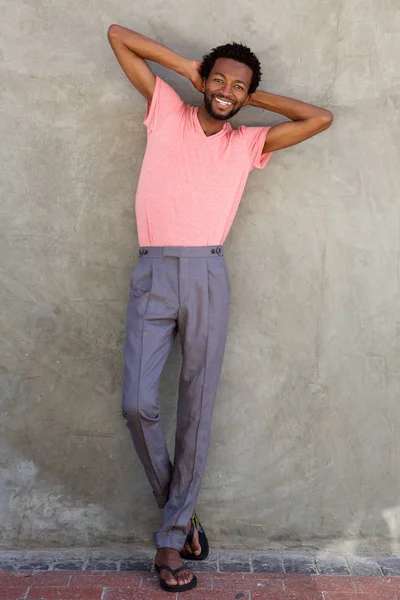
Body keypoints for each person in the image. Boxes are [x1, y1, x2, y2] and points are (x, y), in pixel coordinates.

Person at [107, 24, 333, 593]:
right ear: (204, 80)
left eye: (240, 85)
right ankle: (179, 515)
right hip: (154, 269)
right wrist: (188, 69)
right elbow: (118, 36)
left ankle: (169, 540)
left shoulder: (248, 143)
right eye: (220, 79)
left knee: (196, 409)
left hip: (208, 272)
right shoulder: (167, 110)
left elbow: (318, 118)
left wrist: (251, 99)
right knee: (138, 404)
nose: (227, 90)